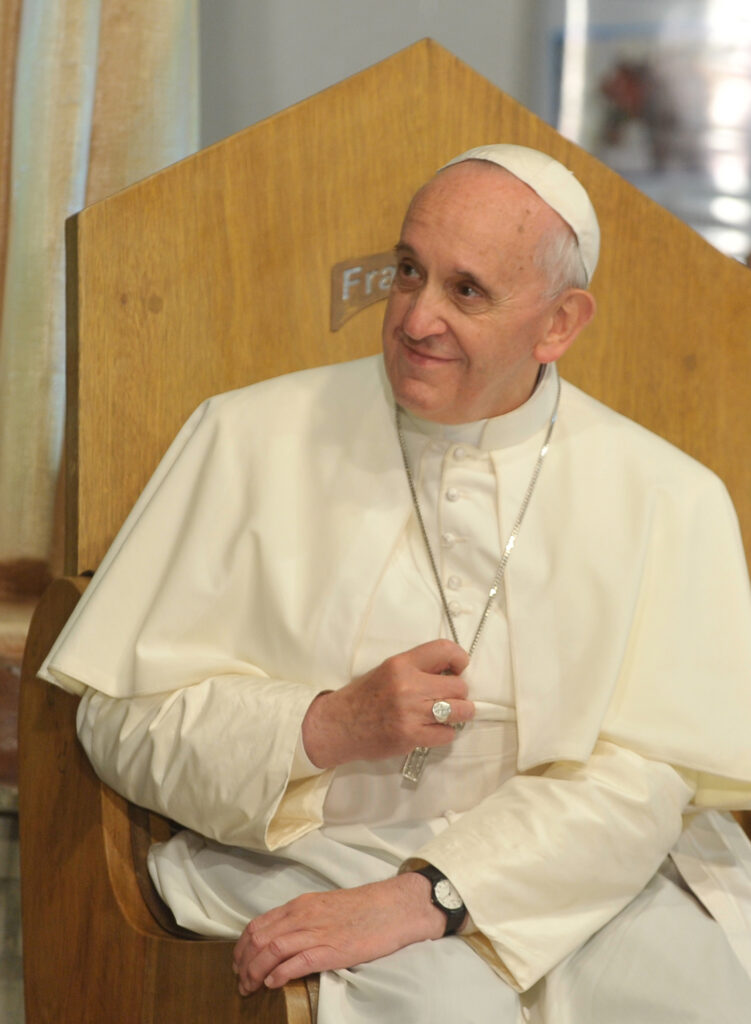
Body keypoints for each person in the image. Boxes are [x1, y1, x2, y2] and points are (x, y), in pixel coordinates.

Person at [40, 145, 751, 1022]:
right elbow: (117, 721)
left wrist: (435, 894)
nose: (414, 319)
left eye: (466, 291)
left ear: (558, 323)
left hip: (568, 860)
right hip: (309, 845)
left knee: (692, 993)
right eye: (407, 271)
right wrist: (323, 725)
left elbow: (645, 779)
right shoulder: (246, 437)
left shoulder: (663, 495)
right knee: (443, 1008)